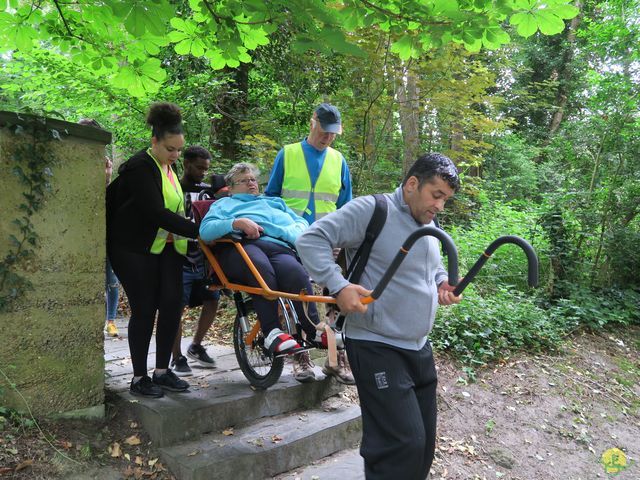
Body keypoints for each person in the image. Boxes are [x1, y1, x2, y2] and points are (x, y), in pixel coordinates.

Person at [295, 153, 463, 480]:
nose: (440, 206)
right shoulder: (372, 210)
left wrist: (442, 282)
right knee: (401, 443)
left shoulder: (429, 221)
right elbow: (311, 239)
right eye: (437, 195)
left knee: (423, 445)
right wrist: (339, 285)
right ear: (412, 184)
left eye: (446, 199)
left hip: (418, 347)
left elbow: (432, 264)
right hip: (376, 345)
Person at [199, 162, 351, 384]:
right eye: (244, 180)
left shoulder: (275, 203)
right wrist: (237, 222)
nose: (252, 183)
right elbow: (205, 230)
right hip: (241, 247)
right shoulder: (224, 205)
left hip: (278, 247)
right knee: (262, 270)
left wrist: (285, 232)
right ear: (230, 187)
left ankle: (313, 330)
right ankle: (272, 332)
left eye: (253, 179)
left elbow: (301, 224)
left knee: (296, 274)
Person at [107, 102, 197, 398]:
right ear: (154, 141)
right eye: (170, 149)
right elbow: (155, 212)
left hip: (167, 248)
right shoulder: (139, 167)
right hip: (132, 248)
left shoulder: (168, 169)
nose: (176, 155)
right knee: (144, 309)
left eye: (179, 150)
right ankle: (138, 377)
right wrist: (199, 231)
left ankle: (162, 371)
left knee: (171, 305)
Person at [265, 102, 354, 383]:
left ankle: (335, 360)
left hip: (328, 242)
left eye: (333, 134)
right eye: (324, 131)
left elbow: (346, 206)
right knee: (296, 296)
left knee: (334, 298)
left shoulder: (339, 161)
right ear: (312, 121)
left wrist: (343, 237)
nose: (328, 138)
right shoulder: (288, 154)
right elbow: (271, 197)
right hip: (290, 238)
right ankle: (301, 358)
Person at [170, 146, 221, 376]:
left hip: (205, 258)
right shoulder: (174, 188)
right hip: (179, 257)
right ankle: (176, 357)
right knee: (174, 307)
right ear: (186, 164)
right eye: (199, 167)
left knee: (212, 300)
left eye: (206, 169)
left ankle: (196, 345)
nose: (202, 172)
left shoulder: (209, 191)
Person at [79, 117, 120, 337]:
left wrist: (107, 177)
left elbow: (107, 197)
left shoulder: (103, 162)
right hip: (81, 227)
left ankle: (110, 320)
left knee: (111, 278)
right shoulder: (73, 159)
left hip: (106, 225)